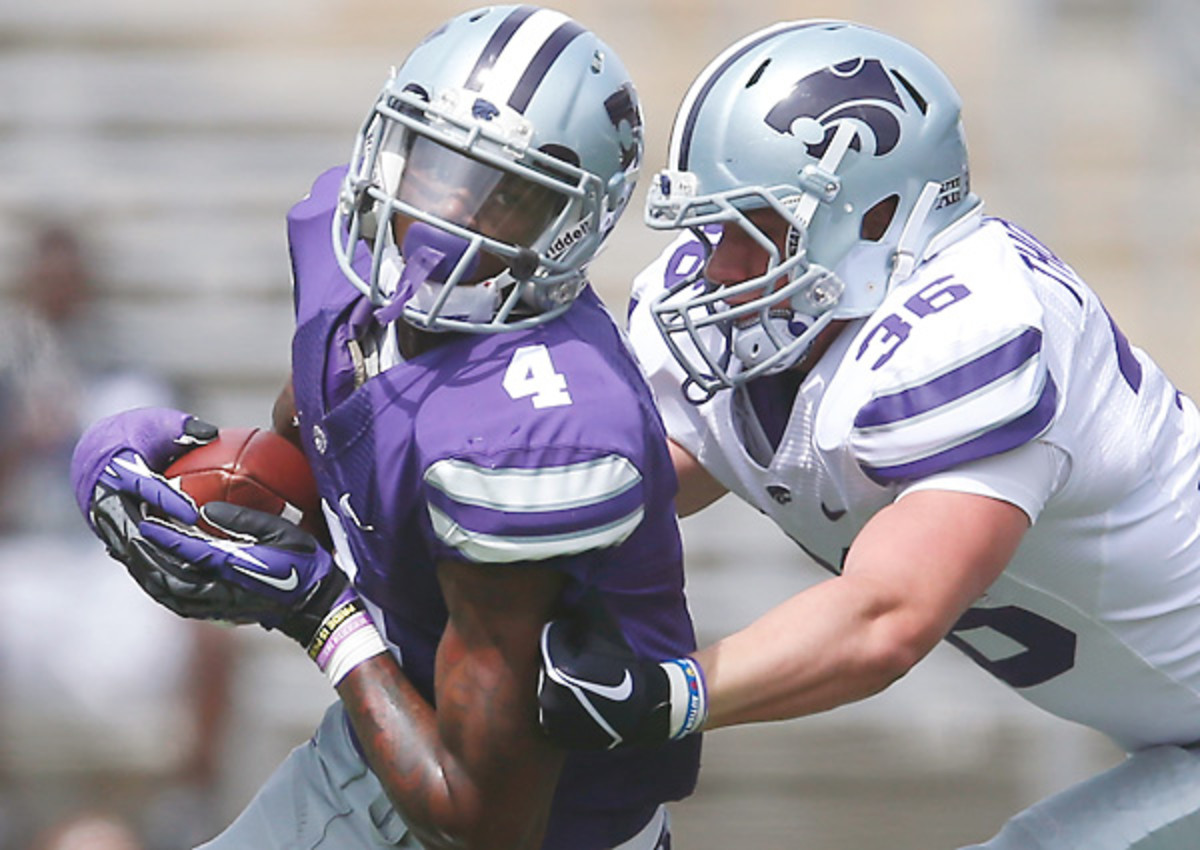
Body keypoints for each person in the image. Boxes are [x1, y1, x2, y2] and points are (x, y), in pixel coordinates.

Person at [537, 19, 1200, 849]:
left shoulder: (975, 325)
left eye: (754, 228)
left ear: (880, 214)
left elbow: (885, 618)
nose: (716, 267)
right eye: (713, 227)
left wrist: (671, 693)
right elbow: (626, 487)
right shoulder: (767, 323)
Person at [69, 6, 700, 850]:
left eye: (506, 196)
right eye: (436, 166)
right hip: (379, 744)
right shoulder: (341, 254)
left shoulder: (537, 427)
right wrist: (167, 481)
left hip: (536, 821)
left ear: (571, 226)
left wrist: (321, 611)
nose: (445, 218)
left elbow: (484, 822)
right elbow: (316, 437)